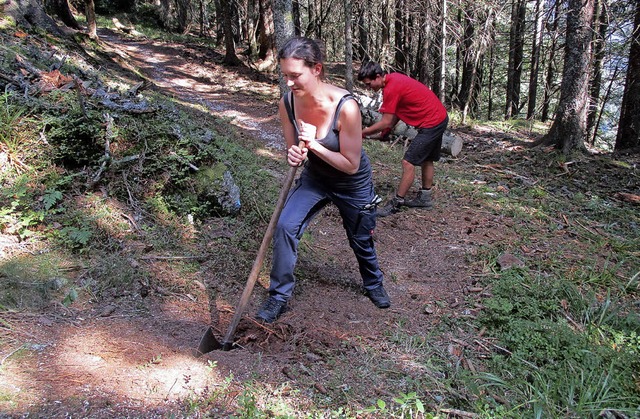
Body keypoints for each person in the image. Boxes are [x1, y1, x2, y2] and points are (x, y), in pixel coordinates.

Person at [255, 37, 390, 324]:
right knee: (285, 226)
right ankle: (278, 296)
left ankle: (373, 282)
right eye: (285, 76)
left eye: (295, 76)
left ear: (316, 69)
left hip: (351, 184)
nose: (289, 83)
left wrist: (314, 145)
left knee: (361, 239)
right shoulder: (288, 103)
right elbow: (296, 150)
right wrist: (295, 154)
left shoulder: (346, 106)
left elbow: (351, 165)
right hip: (316, 179)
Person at [357, 62, 449, 217]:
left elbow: (386, 120)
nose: (368, 87)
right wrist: (385, 134)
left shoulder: (392, 87)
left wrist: (362, 132)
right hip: (439, 117)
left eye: (369, 83)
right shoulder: (393, 81)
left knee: (408, 162)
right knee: (427, 159)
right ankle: (425, 198)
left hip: (432, 122)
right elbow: (395, 115)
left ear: (378, 76)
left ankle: (396, 203)